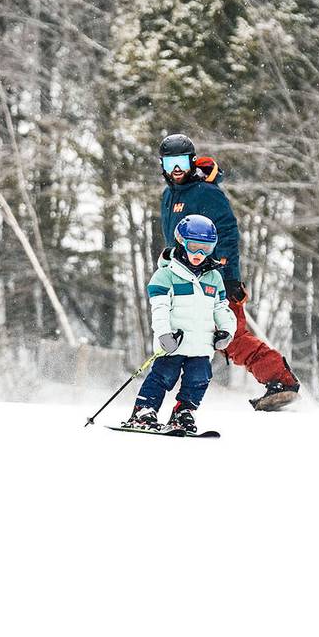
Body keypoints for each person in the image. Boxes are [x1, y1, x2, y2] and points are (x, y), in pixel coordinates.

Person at [158, 133, 300, 410]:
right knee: (203, 336)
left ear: (192, 162)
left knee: (230, 336)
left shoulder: (206, 193)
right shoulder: (169, 195)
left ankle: (281, 380)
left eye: (182, 162)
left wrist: (229, 275)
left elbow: (227, 233)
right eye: (170, 162)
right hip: (186, 279)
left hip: (214, 279)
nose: (176, 169)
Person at [126, 214, 236, 432]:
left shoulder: (214, 278)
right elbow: (159, 309)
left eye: (205, 248)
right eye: (193, 246)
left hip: (202, 346)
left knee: (199, 380)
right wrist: (164, 335)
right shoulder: (165, 276)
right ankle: (144, 410)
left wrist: (226, 331)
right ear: (181, 242)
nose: (198, 254)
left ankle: (183, 412)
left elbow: (221, 308)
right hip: (173, 343)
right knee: (162, 377)